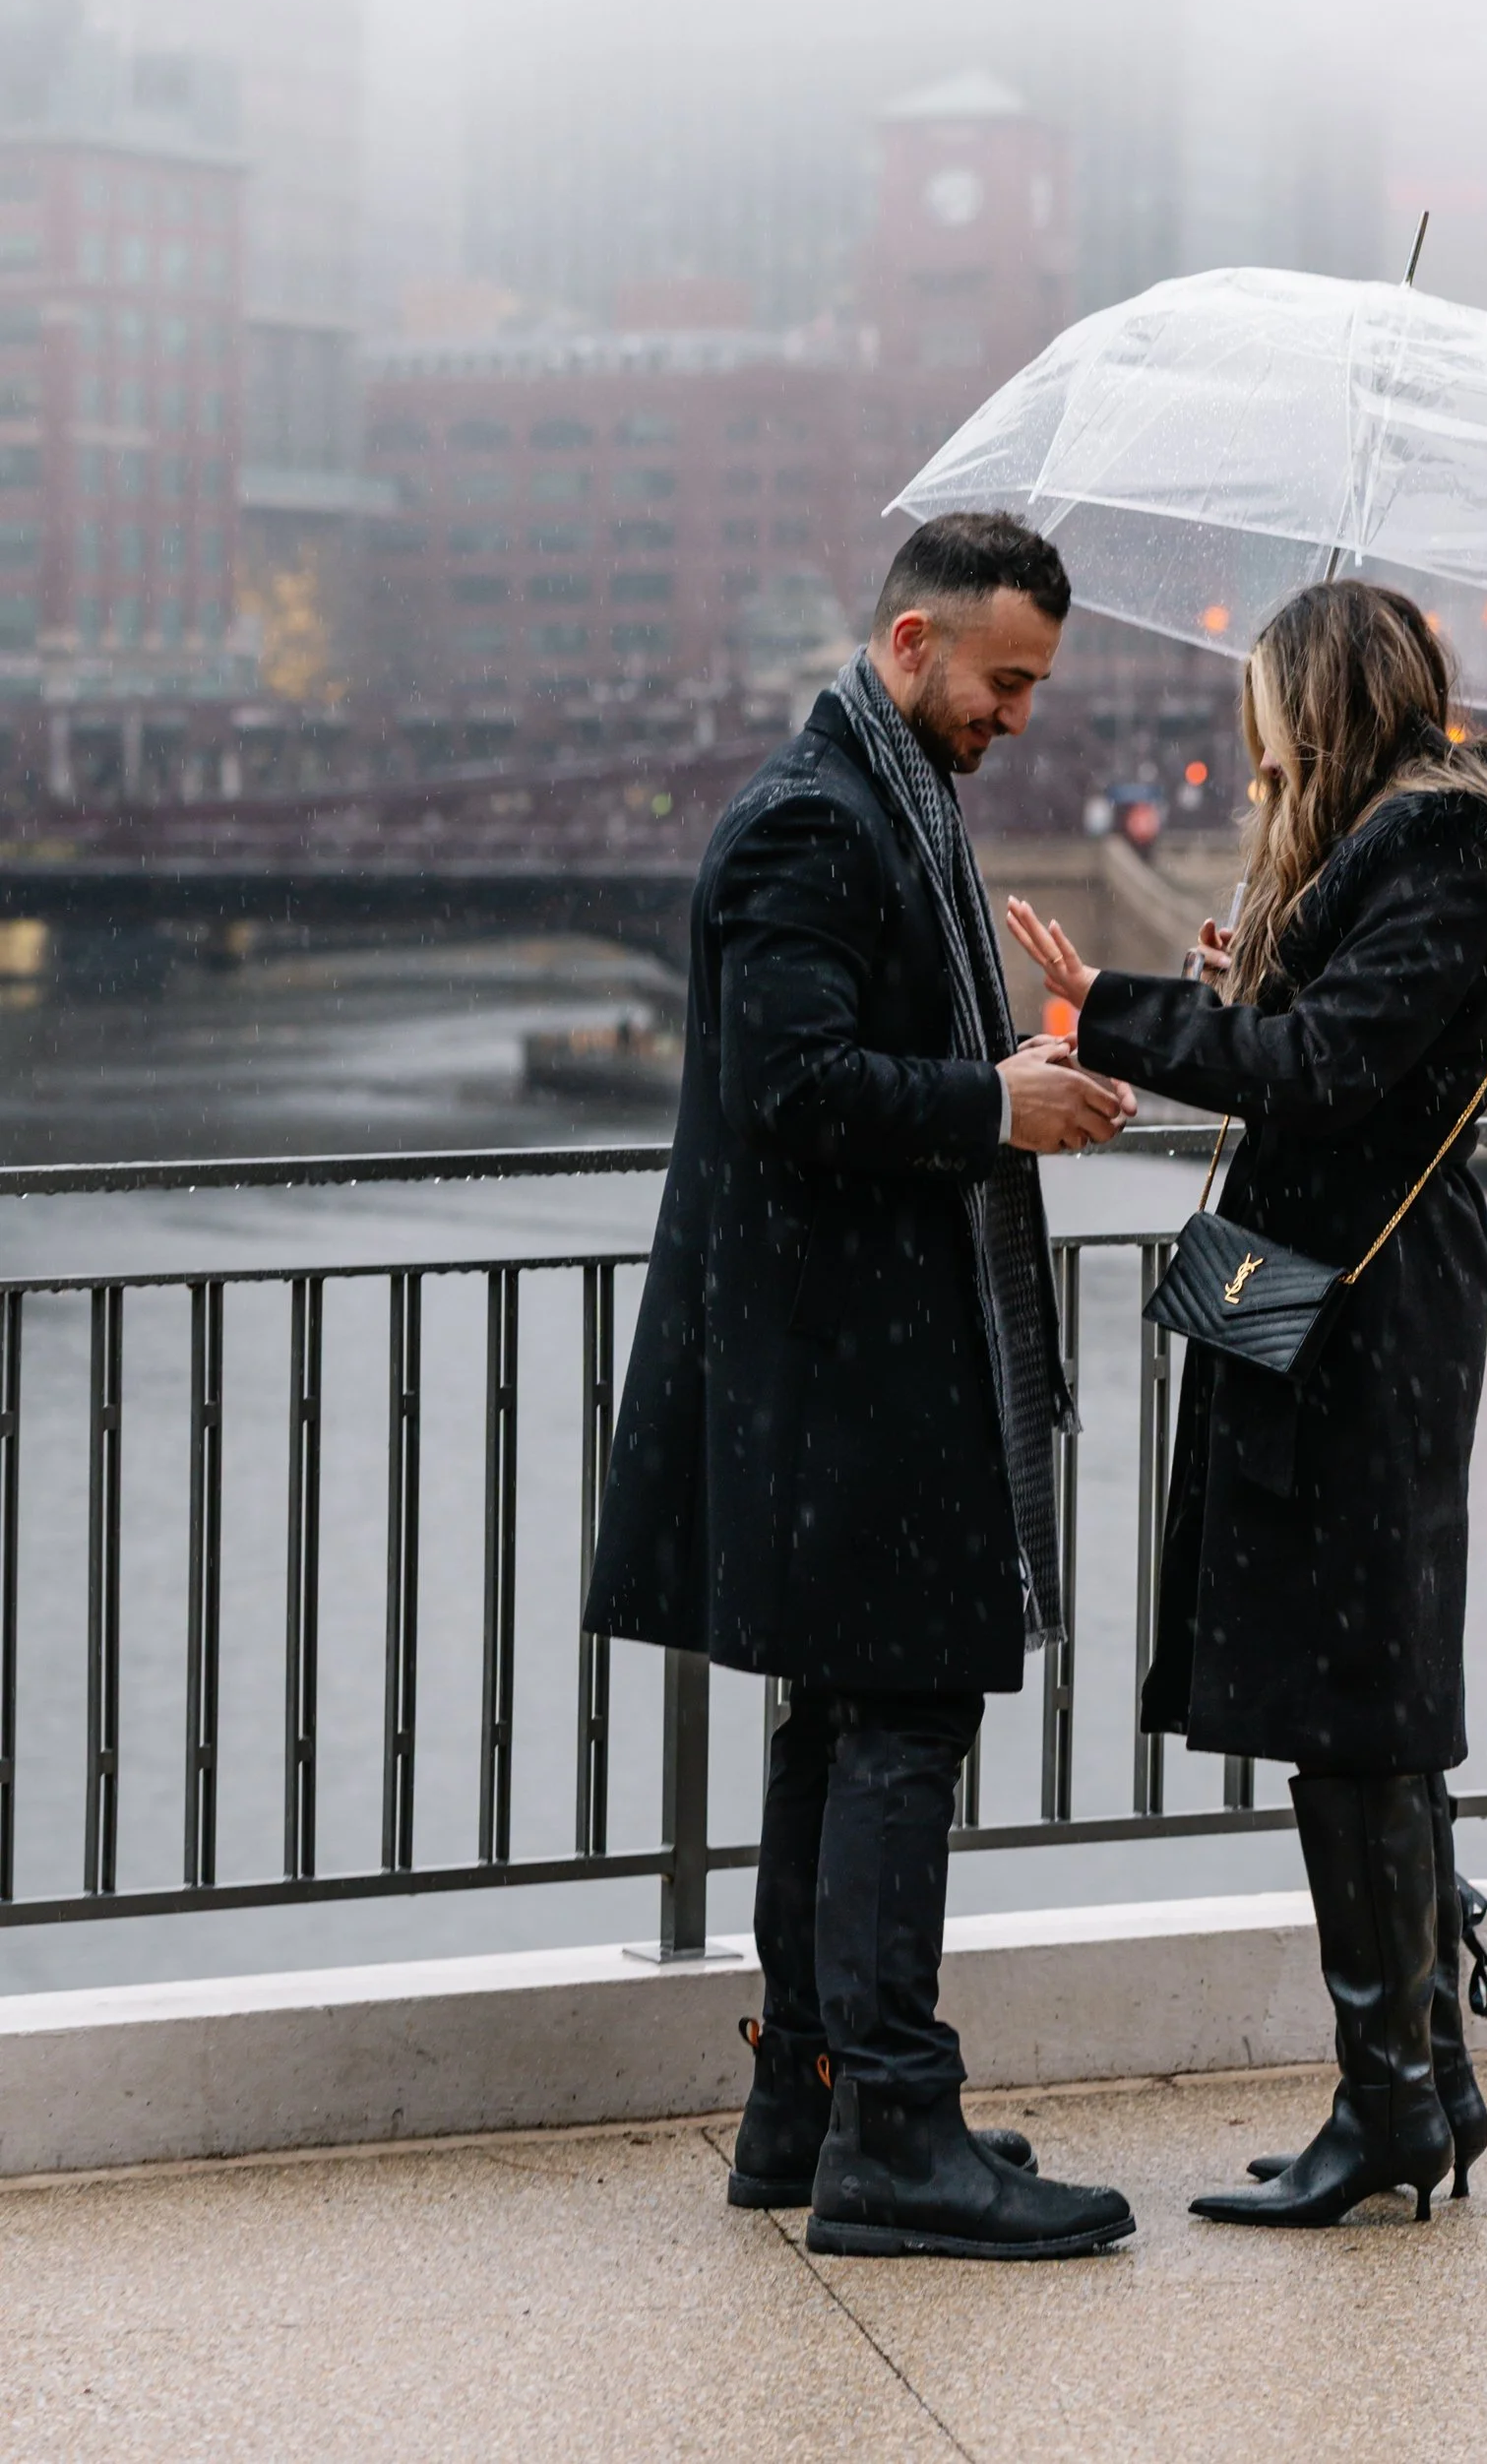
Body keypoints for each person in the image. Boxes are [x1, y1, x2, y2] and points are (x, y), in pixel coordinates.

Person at [585, 511, 1139, 2261]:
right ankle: (892, 2131)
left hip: (846, 1363)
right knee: (898, 1729)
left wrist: (1012, 1076)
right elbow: (795, 1089)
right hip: (857, 1378)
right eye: (1003, 680)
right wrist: (995, 1107)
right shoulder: (817, 825)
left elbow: (846, 1072)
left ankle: (808, 2107)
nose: (1018, 716)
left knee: (840, 1732)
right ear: (912, 647)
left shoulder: (867, 804)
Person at [1007, 577, 1487, 2230]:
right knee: (1346, 1677)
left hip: (1361, 1308)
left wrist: (1116, 1008)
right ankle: (1419, 2080)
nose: (1251, 743)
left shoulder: (1441, 848)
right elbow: (1328, 1045)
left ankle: (1391, 2100)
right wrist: (1243, 974)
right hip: (1314, 1288)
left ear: (1319, 699)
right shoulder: (1391, 850)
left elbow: (1327, 1068)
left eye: (1267, 710)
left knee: (1358, 1691)